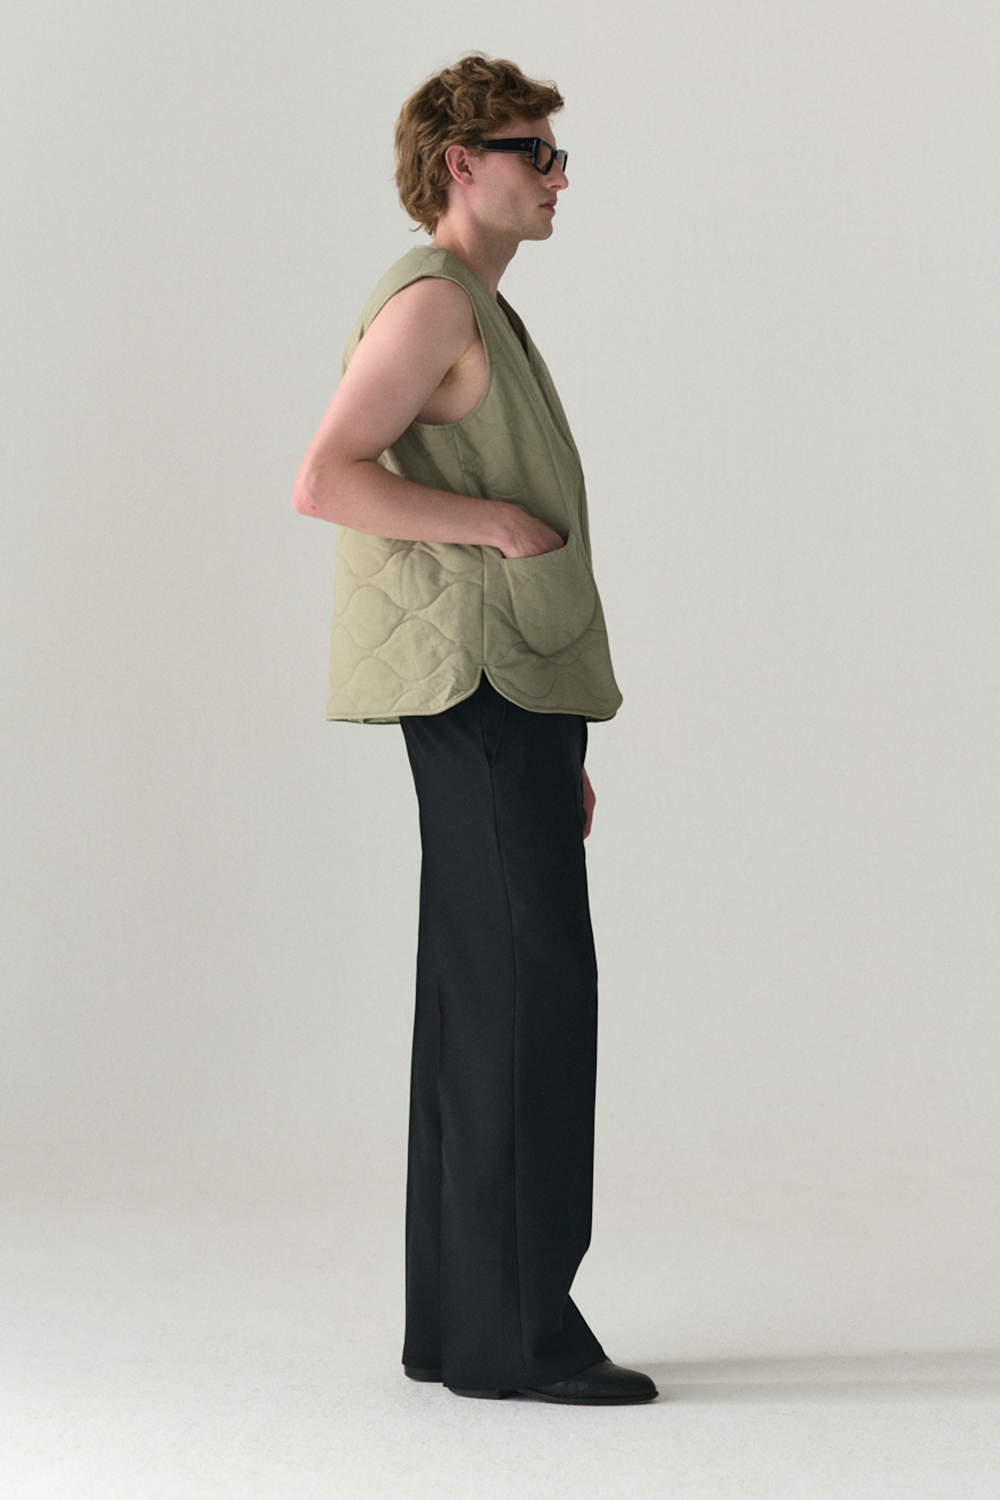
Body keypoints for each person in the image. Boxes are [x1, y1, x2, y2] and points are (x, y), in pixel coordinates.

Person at [292, 54, 656, 1406]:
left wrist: (562, 747)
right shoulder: (436, 299)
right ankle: (517, 1338)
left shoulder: (476, 306)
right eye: (534, 152)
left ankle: (458, 1328)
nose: (558, 175)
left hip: (506, 696)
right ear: (463, 164)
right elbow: (325, 477)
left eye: (557, 153)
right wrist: (493, 525)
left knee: (478, 996)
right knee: (527, 1001)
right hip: (480, 687)